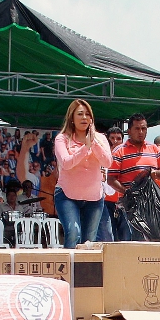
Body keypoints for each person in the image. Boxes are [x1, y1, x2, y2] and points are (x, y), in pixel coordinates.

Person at [53, 99, 112, 248]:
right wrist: (85, 147)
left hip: (94, 198)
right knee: (73, 233)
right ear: (72, 118)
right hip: (67, 196)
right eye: (80, 114)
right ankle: (69, 270)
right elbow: (66, 163)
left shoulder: (101, 138)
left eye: (87, 114)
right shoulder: (62, 138)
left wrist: (93, 143)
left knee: (88, 242)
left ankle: (84, 271)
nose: (84, 118)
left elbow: (107, 162)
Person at [110, 114, 160, 241]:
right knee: (134, 242)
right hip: (130, 205)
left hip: (152, 204)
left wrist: (155, 173)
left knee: (153, 242)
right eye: (137, 129)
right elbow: (111, 179)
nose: (141, 132)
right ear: (129, 131)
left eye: (144, 129)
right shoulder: (120, 151)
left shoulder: (154, 149)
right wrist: (126, 193)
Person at [99, 125, 125, 242]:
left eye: (118, 138)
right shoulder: (102, 158)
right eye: (112, 138)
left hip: (124, 203)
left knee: (125, 238)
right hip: (106, 203)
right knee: (108, 237)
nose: (115, 141)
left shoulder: (126, 158)